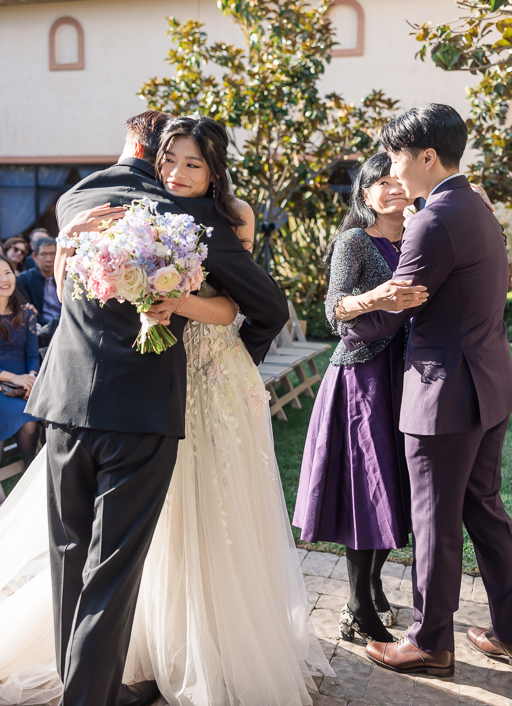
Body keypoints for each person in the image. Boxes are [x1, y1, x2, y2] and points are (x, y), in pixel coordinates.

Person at [0, 114, 331, 706]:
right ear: (154, 155)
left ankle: (86, 685)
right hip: (139, 410)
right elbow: (266, 306)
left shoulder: (81, 199)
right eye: (170, 159)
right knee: (112, 568)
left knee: (71, 557)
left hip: (67, 400)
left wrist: (216, 353)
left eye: (192, 163)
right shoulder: (193, 221)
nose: (176, 173)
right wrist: (233, 357)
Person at [340, 104, 512, 675]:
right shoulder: (478, 208)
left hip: (443, 392)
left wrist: (348, 308)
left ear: (427, 157)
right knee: (484, 512)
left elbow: (395, 308)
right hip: (487, 383)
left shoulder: (435, 220)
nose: (390, 168)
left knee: (437, 520)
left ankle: (430, 641)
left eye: (395, 157)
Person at [293, 153, 427, 644]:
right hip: (363, 378)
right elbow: (335, 309)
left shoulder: (420, 235)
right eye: (380, 183)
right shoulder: (354, 241)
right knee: (365, 489)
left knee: (392, 486)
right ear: (366, 195)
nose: (392, 188)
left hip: (408, 375)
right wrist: (378, 297)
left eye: (398, 180)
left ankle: (371, 585)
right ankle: (356, 606)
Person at [0, 255, 40, 468]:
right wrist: (16, 378)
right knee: (25, 415)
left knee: (38, 414)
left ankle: (31, 473)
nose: (4, 280)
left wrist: (31, 379)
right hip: (4, 381)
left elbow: (32, 355)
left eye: (7, 272)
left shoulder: (26, 312)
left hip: (24, 382)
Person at [17, 238, 62, 326]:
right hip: (40, 328)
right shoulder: (24, 279)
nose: (49, 259)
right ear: (34, 256)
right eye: (43, 254)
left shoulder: (64, 276)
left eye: (52, 254)